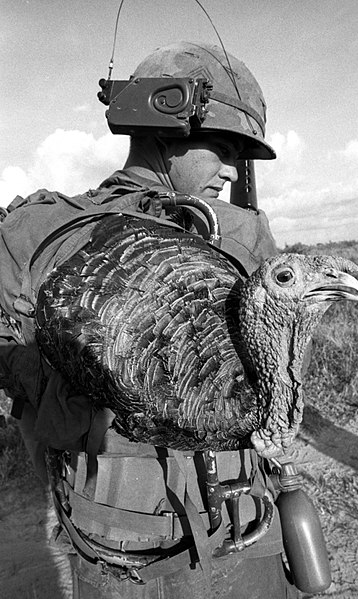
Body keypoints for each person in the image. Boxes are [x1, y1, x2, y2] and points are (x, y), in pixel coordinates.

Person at [0, 42, 300, 598]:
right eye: (222, 147)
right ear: (161, 124)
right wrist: (80, 373)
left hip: (241, 526)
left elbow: (275, 379)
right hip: (114, 553)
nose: (233, 169)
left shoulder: (240, 232)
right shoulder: (34, 232)